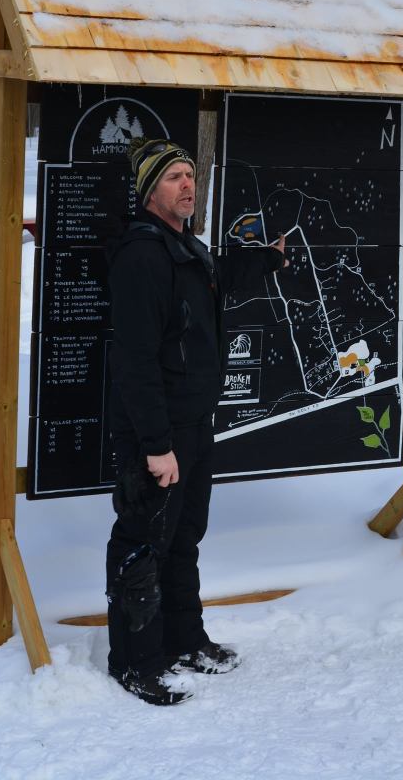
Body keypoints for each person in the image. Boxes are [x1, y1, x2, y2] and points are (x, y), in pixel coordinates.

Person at [105, 137, 286, 706]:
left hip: (193, 424)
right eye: (173, 177)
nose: (187, 184)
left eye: (189, 174)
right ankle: (135, 662)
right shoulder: (142, 257)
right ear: (148, 192)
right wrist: (156, 445)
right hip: (157, 433)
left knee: (183, 537)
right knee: (143, 541)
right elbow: (134, 361)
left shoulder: (187, 248)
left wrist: (268, 258)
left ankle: (184, 640)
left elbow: (219, 278)